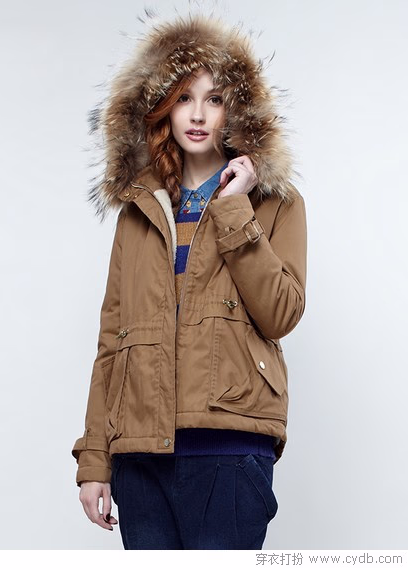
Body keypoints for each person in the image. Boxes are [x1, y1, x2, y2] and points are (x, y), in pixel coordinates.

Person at [71, 11, 307, 550]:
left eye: (214, 98)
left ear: (237, 108)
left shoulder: (276, 202)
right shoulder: (138, 211)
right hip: (139, 457)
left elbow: (281, 313)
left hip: (229, 446)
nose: (198, 114)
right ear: (161, 107)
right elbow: (112, 342)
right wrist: (94, 459)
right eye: (183, 98)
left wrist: (234, 209)